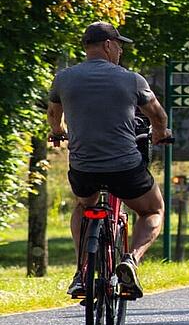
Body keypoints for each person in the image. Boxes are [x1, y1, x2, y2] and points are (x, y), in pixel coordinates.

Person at [47, 22, 172, 300]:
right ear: (107, 45)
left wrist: (58, 133)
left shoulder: (64, 78)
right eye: (119, 45)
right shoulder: (132, 79)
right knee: (153, 210)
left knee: (83, 205)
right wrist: (161, 134)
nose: (120, 51)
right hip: (124, 168)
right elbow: (158, 116)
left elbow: (54, 116)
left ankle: (82, 271)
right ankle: (131, 261)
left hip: (83, 168)